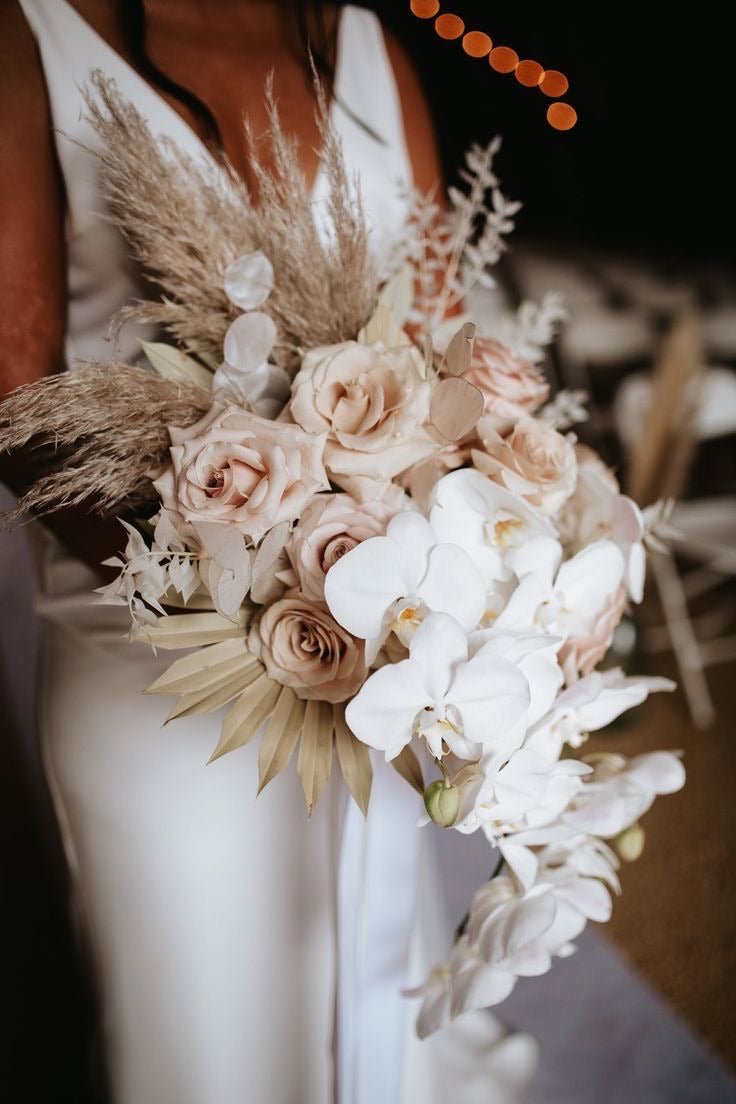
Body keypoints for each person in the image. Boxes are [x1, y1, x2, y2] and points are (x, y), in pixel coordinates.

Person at [0, 2, 537, 1100]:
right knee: (205, 1022)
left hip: (376, 639)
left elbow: (442, 331)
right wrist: (259, 581)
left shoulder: (365, 43)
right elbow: (12, 392)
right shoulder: (29, 35)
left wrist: (480, 550)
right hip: (158, 660)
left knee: (367, 965)